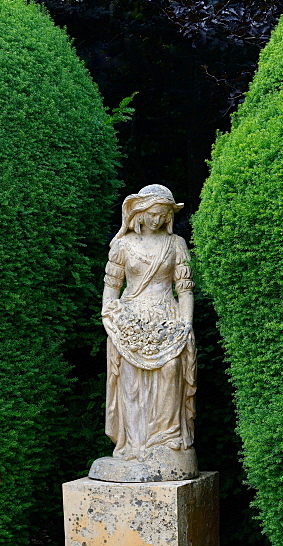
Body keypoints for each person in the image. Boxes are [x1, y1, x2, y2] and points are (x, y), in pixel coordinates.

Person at [93, 185, 197, 481]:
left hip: (168, 317)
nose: (156, 219)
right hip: (130, 319)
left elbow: (185, 289)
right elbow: (111, 290)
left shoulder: (176, 244)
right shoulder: (123, 246)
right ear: (140, 213)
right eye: (152, 213)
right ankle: (134, 445)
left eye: (163, 214)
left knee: (172, 370)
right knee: (130, 380)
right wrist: (112, 320)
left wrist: (185, 323)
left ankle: (167, 441)